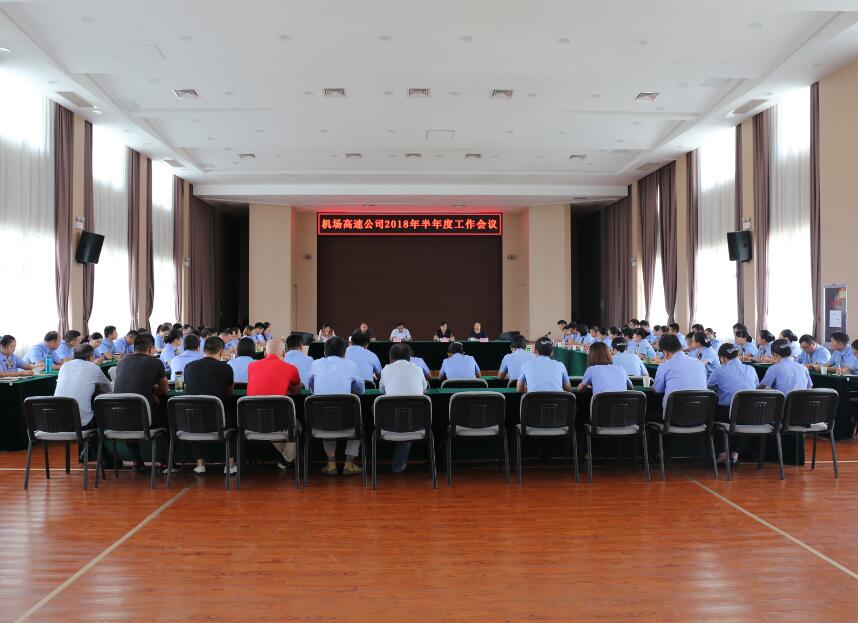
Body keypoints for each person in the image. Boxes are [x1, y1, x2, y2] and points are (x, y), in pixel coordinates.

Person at [308, 336, 364, 476]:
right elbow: (361, 390)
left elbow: (311, 389)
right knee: (359, 420)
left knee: (325, 412)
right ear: (344, 353)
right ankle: (349, 463)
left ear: (324, 352)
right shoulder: (351, 365)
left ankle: (331, 463)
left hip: (320, 421)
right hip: (347, 421)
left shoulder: (315, 364)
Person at [112, 333, 168, 470]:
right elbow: (164, 390)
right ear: (150, 348)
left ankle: (137, 461)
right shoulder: (156, 362)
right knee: (170, 418)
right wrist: (151, 391)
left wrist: (149, 392)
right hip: (143, 417)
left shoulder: (122, 361)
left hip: (119, 417)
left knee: (129, 416)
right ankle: (166, 462)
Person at [184, 336, 236, 475]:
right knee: (235, 420)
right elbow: (229, 393)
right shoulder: (226, 368)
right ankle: (230, 465)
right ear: (221, 351)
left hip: (192, 420)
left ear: (203, 350)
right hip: (218, 420)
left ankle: (200, 464)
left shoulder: (189, 367)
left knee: (195, 412)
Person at [247, 337, 301, 468]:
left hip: (252, 421)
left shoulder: (251, 366)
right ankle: (288, 459)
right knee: (297, 426)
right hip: (278, 421)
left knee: (269, 422)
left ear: (265, 353)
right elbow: (297, 392)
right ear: (284, 354)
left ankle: (286, 459)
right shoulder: (291, 368)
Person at [379, 343, 429, 474]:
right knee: (407, 420)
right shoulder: (417, 368)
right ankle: (398, 465)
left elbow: (382, 390)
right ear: (409, 357)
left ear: (390, 358)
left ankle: (388, 458)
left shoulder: (386, 369)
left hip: (388, 422)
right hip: (416, 422)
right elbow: (424, 389)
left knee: (376, 406)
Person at [707, 343, 760, 465]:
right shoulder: (751, 369)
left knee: (714, 415)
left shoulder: (719, 371)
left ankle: (722, 454)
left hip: (728, 413)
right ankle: (735, 455)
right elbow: (756, 386)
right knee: (744, 416)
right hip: (750, 415)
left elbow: (708, 386)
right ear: (738, 356)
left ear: (723, 358)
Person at [54, 343, 112, 428]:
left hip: (57, 422)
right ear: (90, 356)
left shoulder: (64, 366)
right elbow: (108, 388)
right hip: (81, 423)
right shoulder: (94, 367)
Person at [652, 334, 707, 406]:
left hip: (675, 410)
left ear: (666, 353)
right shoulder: (699, 363)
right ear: (680, 347)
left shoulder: (665, 366)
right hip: (701, 409)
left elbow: (657, 390)